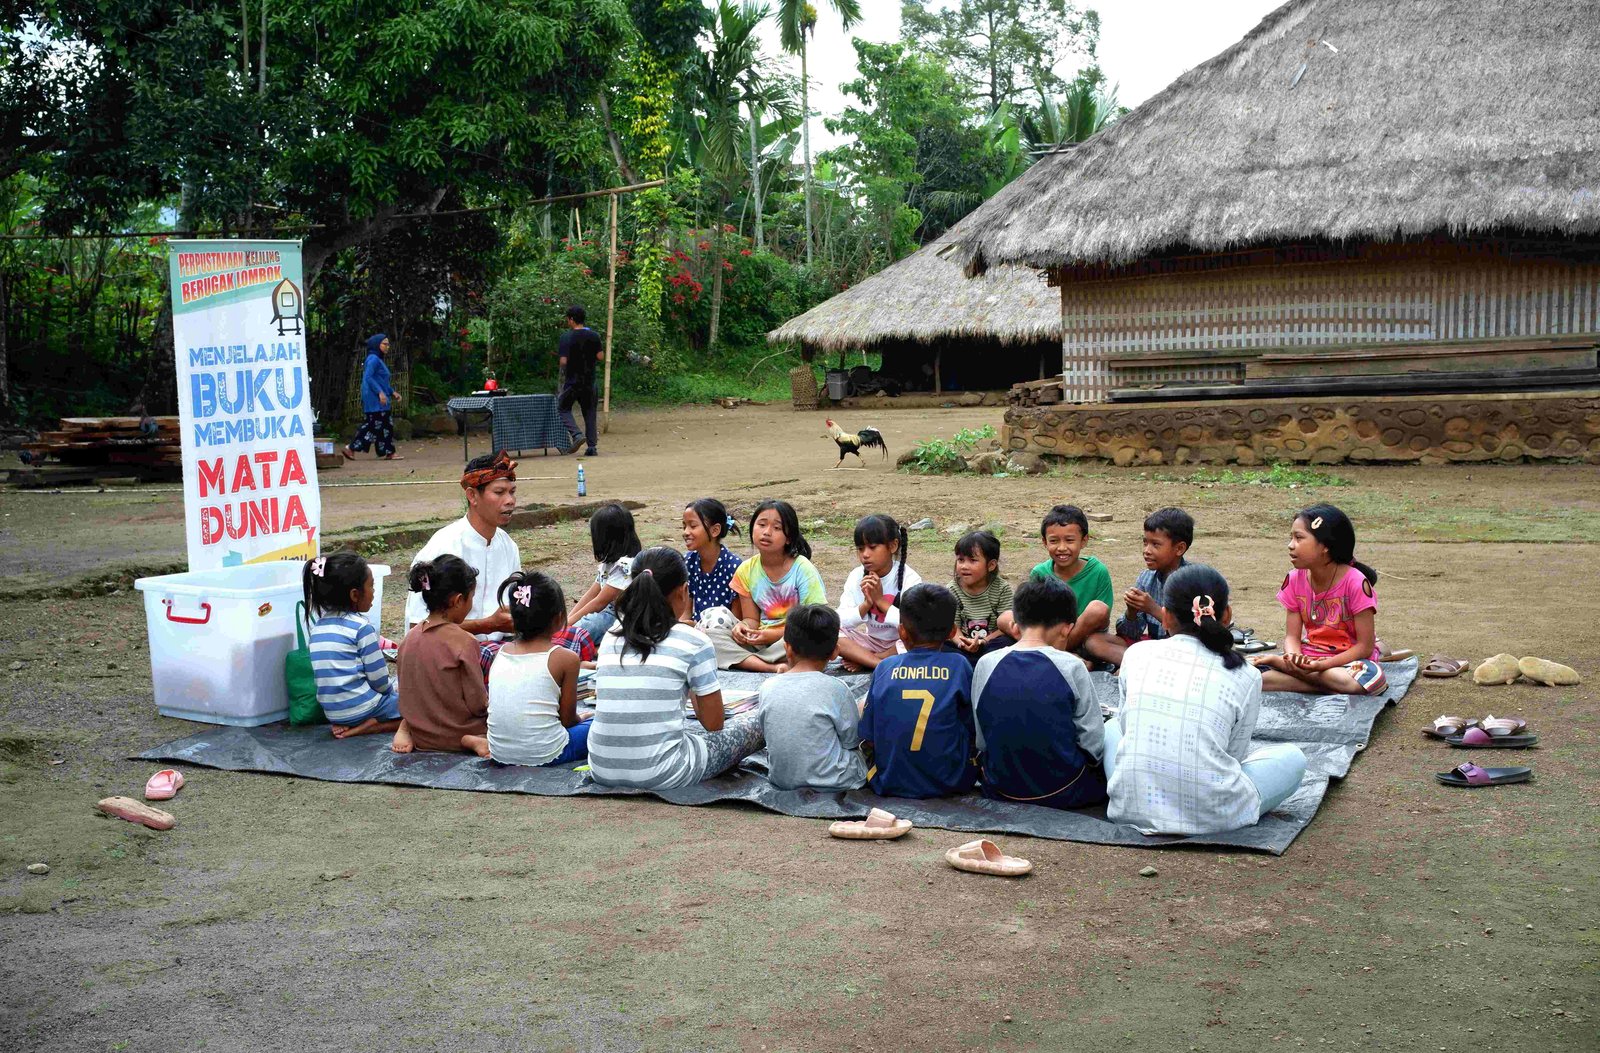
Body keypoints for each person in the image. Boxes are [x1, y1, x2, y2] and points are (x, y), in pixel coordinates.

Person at [1107, 564, 1308, 835]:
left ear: (1165, 618)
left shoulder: (1136, 654)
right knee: (1293, 757)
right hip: (1216, 816)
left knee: (1110, 728)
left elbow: (1126, 729)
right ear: (1227, 616)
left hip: (1130, 807)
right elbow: (1233, 756)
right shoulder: (1246, 674)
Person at [588, 548, 765, 790]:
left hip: (601, 768)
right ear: (683, 592)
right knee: (756, 722)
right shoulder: (693, 641)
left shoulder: (610, 637)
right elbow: (713, 724)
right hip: (665, 772)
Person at [971, 577, 1106, 809]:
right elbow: (1093, 745)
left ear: (1015, 624)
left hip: (999, 787)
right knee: (1113, 730)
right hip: (1066, 790)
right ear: (1066, 629)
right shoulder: (1071, 666)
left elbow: (982, 739)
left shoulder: (986, 663)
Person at [1250, 504, 1387, 695]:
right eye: (1291, 538)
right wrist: (1293, 657)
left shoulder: (1356, 582)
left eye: (1299, 538)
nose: (1290, 545)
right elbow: (1292, 636)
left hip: (1348, 663)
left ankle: (1297, 675)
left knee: (1364, 680)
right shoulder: (1294, 579)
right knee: (1252, 675)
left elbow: (1365, 647)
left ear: (1325, 546)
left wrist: (1321, 666)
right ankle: (1322, 685)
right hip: (1310, 657)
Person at [404, 450, 521, 672]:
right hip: (449, 655)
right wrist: (488, 625)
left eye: (512, 492)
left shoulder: (508, 546)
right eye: (499, 492)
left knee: (569, 640)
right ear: (472, 496)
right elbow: (418, 627)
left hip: (499, 647)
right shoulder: (443, 548)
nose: (510, 501)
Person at [859, 584, 976, 799]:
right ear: (952, 632)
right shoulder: (960, 665)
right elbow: (973, 728)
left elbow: (868, 736)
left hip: (888, 780)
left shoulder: (885, 667)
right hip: (951, 781)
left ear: (901, 631)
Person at [703, 499, 827, 672]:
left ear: (789, 538)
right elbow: (752, 619)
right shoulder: (745, 570)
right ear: (753, 527)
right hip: (760, 643)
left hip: (792, 641)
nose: (767, 532)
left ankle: (756, 663)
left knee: (812, 639)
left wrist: (775, 635)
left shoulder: (802, 568)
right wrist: (744, 628)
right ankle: (772, 667)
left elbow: (816, 620)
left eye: (776, 528)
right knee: (709, 639)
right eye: (761, 524)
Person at [757, 605, 867, 792]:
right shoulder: (836, 689)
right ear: (835, 652)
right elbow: (852, 740)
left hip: (782, 779)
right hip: (836, 781)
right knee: (864, 707)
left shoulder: (768, 686)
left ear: (787, 649)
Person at [486, 571, 589, 767]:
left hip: (500, 753)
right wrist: (583, 717)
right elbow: (568, 720)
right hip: (547, 753)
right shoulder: (566, 658)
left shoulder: (501, 652)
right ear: (559, 618)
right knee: (600, 725)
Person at [393, 555, 490, 756]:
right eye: (471, 598)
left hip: (422, 735)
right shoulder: (464, 641)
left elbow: (407, 693)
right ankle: (470, 741)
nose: (471, 604)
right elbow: (477, 703)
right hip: (459, 732)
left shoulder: (408, 639)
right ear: (458, 601)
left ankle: (405, 728)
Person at [303, 552, 400, 739]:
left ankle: (354, 724)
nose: (374, 592)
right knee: (418, 710)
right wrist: (391, 692)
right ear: (355, 594)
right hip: (362, 708)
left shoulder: (318, 628)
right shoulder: (362, 628)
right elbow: (379, 681)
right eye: (371, 585)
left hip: (332, 712)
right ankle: (366, 728)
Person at [1026, 504, 1116, 665]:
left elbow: (1102, 619)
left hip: (1087, 639)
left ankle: (1058, 655)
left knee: (1097, 608)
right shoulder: (1039, 573)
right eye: (1054, 541)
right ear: (1044, 542)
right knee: (1006, 619)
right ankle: (1066, 657)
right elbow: (1035, 620)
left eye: (1069, 540)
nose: (1062, 548)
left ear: (1084, 541)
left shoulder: (1097, 571)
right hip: (1049, 637)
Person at [1107, 506, 1195, 664]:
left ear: (1179, 548)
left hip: (1184, 653)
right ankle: (1142, 664)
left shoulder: (1192, 581)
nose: (1146, 551)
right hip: (1154, 646)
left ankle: (1137, 665)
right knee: (1095, 641)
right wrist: (1132, 612)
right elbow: (1130, 634)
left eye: (1155, 545)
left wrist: (1153, 609)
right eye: (1145, 543)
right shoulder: (1146, 578)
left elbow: (1192, 635)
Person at [835, 514, 922, 671]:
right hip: (872, 642)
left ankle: (868, 660)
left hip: (901, 643)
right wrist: (866, 605)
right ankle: (879, 663)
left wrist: (880, 601)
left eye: (872, 547)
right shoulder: (856, 576)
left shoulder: (910, 578)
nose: (865, 554)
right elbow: (840, 620)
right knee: (830, 631)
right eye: (860, 549)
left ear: (893, 546)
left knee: (920, 637)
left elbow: (914, 624)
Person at [566, 502, 641, 642]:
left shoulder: (625, 566)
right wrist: (567, 620)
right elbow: (591, 594)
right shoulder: (609, 563)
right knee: (574, 628)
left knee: (581, 630)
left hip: (622, 617)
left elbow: (599, 602)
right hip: (607, 612)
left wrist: (566, 626)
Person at [948, 529, 1017, 665]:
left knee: (1009, 641)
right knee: (942, 645)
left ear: (991, 565)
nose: (964, 566)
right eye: (960, 560)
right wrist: (962, 644)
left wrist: (983, 642)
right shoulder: (952, 589)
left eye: (973, 560)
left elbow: (1006, 627)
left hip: (991, 644)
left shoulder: (1001, 589)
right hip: (962, 646)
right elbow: (953, 627)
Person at [343, 333, 403, 461]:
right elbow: (368, 378)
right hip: (375, 399)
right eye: (384, 344)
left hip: (380, 398)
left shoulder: (378, 360)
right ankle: (351, 448)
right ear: (376, 345)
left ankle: (388, 451)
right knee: (373, 424)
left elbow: (381, 380)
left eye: (388, 344)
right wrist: (380, 393)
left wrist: (392, 392)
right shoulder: (373, 359)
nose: (387, 347)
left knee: (385, 424)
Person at [682, 498, 742, 619]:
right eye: (684, 526)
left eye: (693, 526)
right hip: (696, 631)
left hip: (725, 633)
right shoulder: (688, 561)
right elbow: (685, 613)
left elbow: (737, 619)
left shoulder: (734, 567)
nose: (685, 532)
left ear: (715, 530)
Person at [557, 305, 604, 456]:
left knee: (562, 407)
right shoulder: (594, 336)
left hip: (572, 381)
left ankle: (576, 434)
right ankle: (591, 447)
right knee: (590, 412)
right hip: (589, 381)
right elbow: (600, 357)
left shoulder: (565, 337)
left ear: (571, 319)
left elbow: (563, 361)